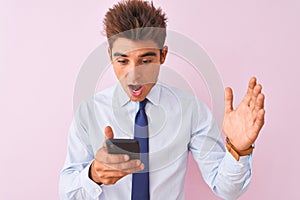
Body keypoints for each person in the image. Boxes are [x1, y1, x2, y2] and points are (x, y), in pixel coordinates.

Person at [59, 1, 265, 199]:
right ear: (110, 55)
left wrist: (238, 150)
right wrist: (93, 175)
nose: (134, 75)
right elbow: (67, 194)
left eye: (146, 61)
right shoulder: (89, 112)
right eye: (122, 61)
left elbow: (226, 189)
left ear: (163, 55)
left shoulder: (191, 110)